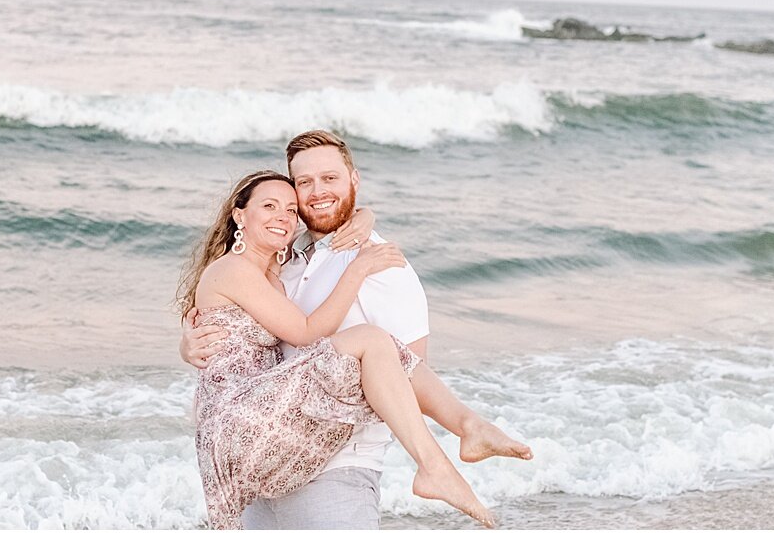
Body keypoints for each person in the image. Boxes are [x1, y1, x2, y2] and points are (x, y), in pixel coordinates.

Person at [180, 130, 531, 529]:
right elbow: (271, 328)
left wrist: (364, 229)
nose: (315, 193)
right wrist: (188, 345)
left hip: (334, 467)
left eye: (330, 178)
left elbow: (411, 369)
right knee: (371, 342)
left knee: (379, 348)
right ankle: (454, 444)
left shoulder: (381, 263)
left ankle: (460, 439)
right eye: (304, 184)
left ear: (354, 181)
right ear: (240, 215)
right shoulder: (285, 264)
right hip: (261, 446)